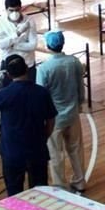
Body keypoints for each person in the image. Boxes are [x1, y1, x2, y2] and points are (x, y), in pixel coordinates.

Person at [0, 54, 57, 196]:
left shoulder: (3, 94)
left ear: (8, 75)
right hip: (37, 150)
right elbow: (51, 119)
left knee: (14, 193)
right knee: (40, 193)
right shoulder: (42, 92)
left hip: (12, 152)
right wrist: (44, 137)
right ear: (27, 69)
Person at [36, 31, 87, 194]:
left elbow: (41, 95)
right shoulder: (74, 62)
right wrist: (79, 105)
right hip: (73, 114)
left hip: (54, 119)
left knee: (55, 152)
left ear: (48, 46)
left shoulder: (44, 68)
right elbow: (81, 87)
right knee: (76, 149)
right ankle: (80, 181)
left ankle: (59, 185)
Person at [0, 0, 38, 82]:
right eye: (11, 10)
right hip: (9, 65)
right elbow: (1, 45)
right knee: (8, 93)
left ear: (21, 8)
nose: (14, 13)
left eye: (17, 10)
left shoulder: (29, 20)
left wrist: (13, 46)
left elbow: (32, 45)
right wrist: (18, 33)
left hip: (27, 64)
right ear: (6, 10)